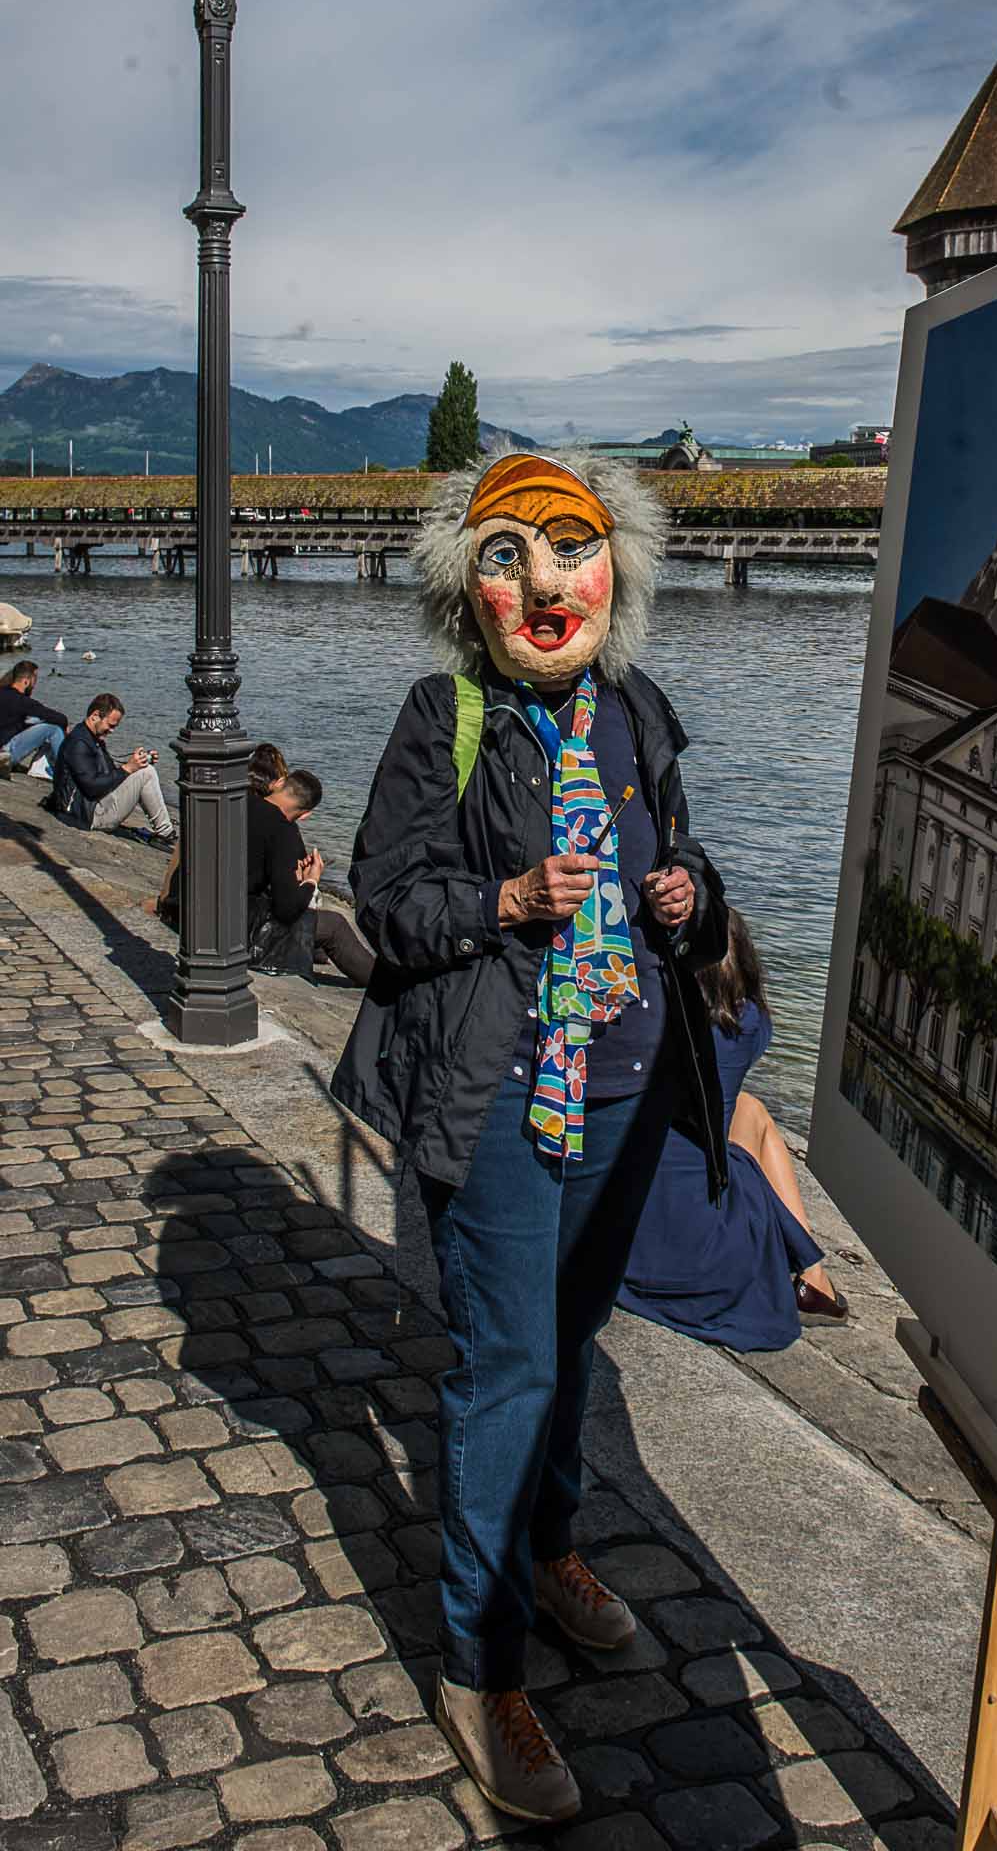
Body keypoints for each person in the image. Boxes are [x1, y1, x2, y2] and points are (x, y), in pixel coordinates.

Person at [331, 448, 729, 1828]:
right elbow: (386, 903)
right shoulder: (442, 713)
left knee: (571, 1343)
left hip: (624, 1083)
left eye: (571, 549)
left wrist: (690, 898)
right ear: (469, 584)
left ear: (619, 570)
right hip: (501, 1088)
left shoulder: (640, 708)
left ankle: (552, 1552)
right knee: (504, 1369)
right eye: (510, 554)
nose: (546, 582)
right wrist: (503, 897)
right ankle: (480, 1663)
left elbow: (691, 873)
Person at [617, 907, 849, 1347]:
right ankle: (814, 1277)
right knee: (753, 1115)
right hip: (702, 1247)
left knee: (743, 1110)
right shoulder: (749, 1027)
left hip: (633, 1234)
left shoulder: (645, 1022)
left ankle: (812, 1272)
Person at [246, 766, 375, 987]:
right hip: (237, 925)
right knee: (334, 925)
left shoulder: (241, 802)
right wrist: (311, 880)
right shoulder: (283, 831)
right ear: (305, 815)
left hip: (199, 908)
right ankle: (382, 980)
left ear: (279, 784)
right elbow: (286, 910)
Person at [153, 742, 284, 928]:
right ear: (275, 783)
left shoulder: (226, 803)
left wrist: (165, 899)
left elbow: (181, 853)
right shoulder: (266, 817)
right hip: (214, 912)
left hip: (181, 902)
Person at [48, 692, 174, 842]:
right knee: (147, 773)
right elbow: (92, 787)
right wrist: (128, 768)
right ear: (95, 715)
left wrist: (136, 763)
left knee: (144, 769)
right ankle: (165, 832)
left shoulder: (90, 738)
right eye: (110, 725)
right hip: (87, 816)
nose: (112, 731)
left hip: (89, 809)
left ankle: (165, 831)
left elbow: (107, 774)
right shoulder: (79, 744)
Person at [0, 658, 68, 779]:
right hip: (6, 752)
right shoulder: (23, 702)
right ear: (26, 681)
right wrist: (66, 727)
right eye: (34, 681)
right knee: (53, 728)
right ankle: (67, 771)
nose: (35, 685)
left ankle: (43, 766)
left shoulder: (3, 693)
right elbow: (60, 718)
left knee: (36, 721)